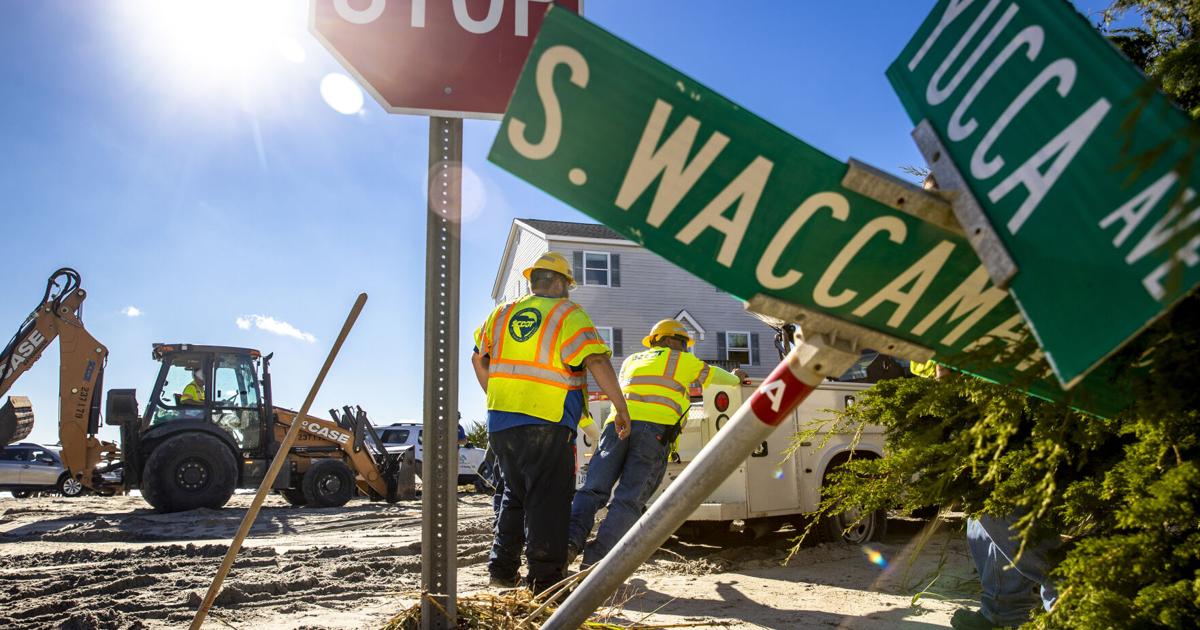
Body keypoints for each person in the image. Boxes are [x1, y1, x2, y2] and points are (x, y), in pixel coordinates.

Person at [470, 251, 631, 594]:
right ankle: (545, 581)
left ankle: (502, 571)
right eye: (568, 284)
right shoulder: (567, 313)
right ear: (559, 283)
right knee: (549, 502)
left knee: (514, 494)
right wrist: (620, 407)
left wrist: (497, 396)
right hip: (547, 421)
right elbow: (596, 360)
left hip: (501, 422)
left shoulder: (501, 314)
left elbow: (477, 358)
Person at [567, 319, 745, 568]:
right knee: (628, 500)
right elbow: (716, 376)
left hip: (616, 426)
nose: (685, 348)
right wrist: (736, 378)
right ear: (671, 340)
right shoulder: (682, 360)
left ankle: (568, 544)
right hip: (652, 433)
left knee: (592, 490)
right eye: (683, 342)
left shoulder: (632, 360)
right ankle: (594, 566)